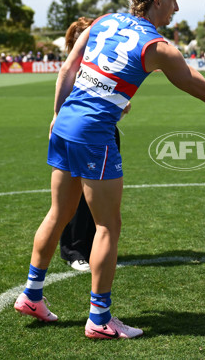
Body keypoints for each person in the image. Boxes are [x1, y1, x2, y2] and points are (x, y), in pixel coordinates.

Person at [13, 0, 205, 339]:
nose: (177, 9)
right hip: (94, 134)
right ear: (157, 1)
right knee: (108, 226)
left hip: (66, 123)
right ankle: (99, 320)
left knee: (58, 212)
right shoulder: (157, 46)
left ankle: (31, 294)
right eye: (174, 1)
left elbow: (68, 68)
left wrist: (56, 114)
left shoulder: (103, 20)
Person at [58, 17, 128, 272]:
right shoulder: (74, 69)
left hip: (104, 133)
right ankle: (73, 250)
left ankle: (89, 248)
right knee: (72, 199)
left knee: (97, 200)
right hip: (80, 136)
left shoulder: (100, 67)